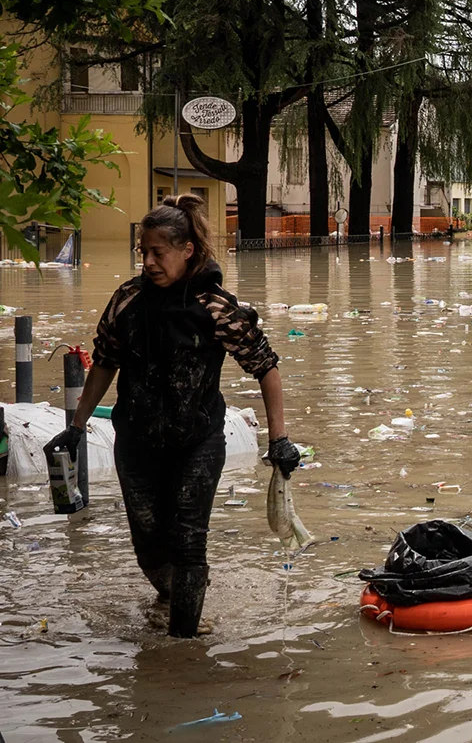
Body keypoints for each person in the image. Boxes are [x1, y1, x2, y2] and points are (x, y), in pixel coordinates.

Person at [50, 195, 300, 638]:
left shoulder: (217, 308)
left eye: (157, 252)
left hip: (197, 442)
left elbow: (266, 366)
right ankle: (178, 594)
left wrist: (277, 438)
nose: (147, 261)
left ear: (187, 251)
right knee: (148, 546)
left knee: (188, 540)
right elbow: (105, 361)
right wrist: (75, 426)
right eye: (142, 252)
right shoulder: (127, 301)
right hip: (136, 440)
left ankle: (182, 650)